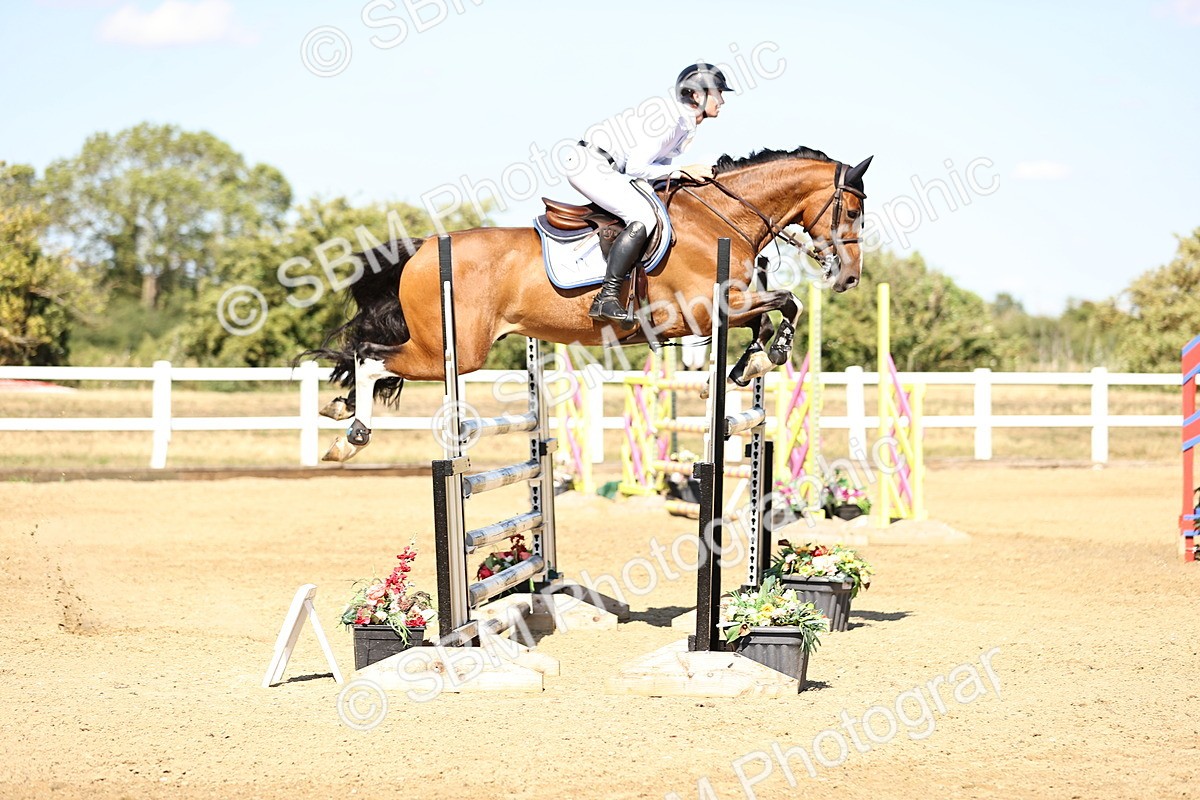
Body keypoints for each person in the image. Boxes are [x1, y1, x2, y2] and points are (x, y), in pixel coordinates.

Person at [567, 62, 733, 325]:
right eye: (718, 93)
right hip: (592, 164)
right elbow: (637, 167)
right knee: (644, 216)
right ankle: (607, 297)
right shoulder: (671, 119)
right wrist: (683, 170)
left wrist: (685, 177)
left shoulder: (685, 124)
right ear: (697, 95)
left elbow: (657, 171)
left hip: (605, 166)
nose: (722, 100)